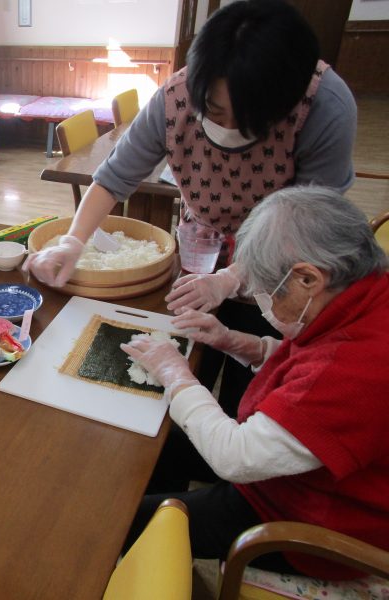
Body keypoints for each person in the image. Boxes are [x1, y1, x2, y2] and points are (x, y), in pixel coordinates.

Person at [23, 0, 357, 414]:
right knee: (190, 360)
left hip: (285, 262)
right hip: (203, 245)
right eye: (214, 111)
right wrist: (73, 241)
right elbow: (113, 178)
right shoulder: (174, 98)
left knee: (252, 388)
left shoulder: (325, 107)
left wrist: (231, 278)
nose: (228, 129)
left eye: (249, 121)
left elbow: (310, 221)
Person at [120, 187, 389, 579]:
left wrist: (175, 373)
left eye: (266, 292)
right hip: (299, 477)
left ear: (308, 279)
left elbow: (235, 457)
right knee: (159, 444)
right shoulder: (366, 293)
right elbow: (307, 364)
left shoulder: (356, 370)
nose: (264, 303)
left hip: (314, 520)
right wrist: (235, 341)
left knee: (123, 520)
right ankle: (165, 546)